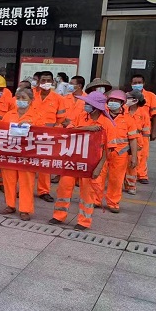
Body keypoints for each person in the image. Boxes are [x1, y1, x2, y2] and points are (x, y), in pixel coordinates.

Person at [49, 92, 112, 230]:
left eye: (88, 104)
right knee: (64, 187)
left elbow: (108, 149)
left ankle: (84, 221)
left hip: (92, 163)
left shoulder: (106, 123)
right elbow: (69, 131)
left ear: (96, 107)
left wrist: (99, 167)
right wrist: (87, 128)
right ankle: (59, 216)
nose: (85, 105)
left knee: (87, 192)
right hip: (73, 159)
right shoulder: (80, 116)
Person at [0, 88, 43, 221]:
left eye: (24, 98)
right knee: (9, 180)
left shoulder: (37, 116)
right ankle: (10, 205)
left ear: (31, 100)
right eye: (18, 98)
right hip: (10, 153)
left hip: (27, 155)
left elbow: (42, 135)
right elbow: (0, 132)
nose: (20, 101)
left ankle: (25, 209)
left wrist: (30, 127)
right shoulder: (9, 114)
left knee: (26, 182)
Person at [93, 90, 138, 213]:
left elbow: (133, 139)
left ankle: (113, 202)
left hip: (120, 154)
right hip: (102, 153)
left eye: (116, 101)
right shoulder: (102, 116)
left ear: (122, 103)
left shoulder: (128, 119)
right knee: (98, 177)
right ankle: (95, 200)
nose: (113, 103)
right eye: (111, 100)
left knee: (116, 179)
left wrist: (134, 157)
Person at [32, 71, 66, 202]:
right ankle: (25, 189)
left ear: (52, 82)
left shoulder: (58, 99)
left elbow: (61, 119)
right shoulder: (30, 95)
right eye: (43, 80)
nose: (46, 83)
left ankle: (44, 191)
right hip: (30, 135)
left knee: (45, 165)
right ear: (38, 81)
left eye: (48, 80)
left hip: (48, 137)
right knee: (27, 164)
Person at [131, 74, 156, 184]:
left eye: (139, 82)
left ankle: (142, 175)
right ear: (131, 84)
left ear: (144, 83)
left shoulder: (151, 96)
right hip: (130, 130)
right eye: (135, 83)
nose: (137, 84)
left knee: (143, 154)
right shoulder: (128, 96)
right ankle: (130, 174)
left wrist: (154, 131)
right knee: (130, 154)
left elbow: (155, 114)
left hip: (144, 132)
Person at [124, 90, 149, 196]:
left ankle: (131, 186)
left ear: (135, 100)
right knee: (122, 163)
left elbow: (146, 131)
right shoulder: (124, 110)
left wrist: (143, 147)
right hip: (124, 139)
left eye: (128, 97)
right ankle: (121, 183)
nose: (126, 99)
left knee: (132, 164)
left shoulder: (143, 113)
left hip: (137, 141)